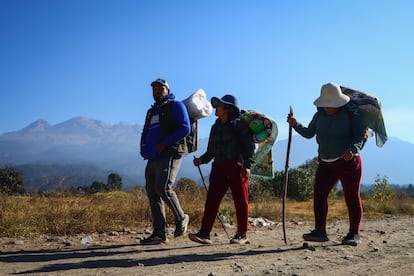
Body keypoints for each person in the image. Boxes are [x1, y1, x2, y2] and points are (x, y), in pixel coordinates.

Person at [287, 82, 366, 246]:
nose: (329, 108)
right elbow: (309, 133)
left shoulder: (352, 115)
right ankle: (320, 231)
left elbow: (360, 136)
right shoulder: (319, 115)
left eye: (332, 104)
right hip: (325, 163)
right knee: (319, 194)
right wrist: (295, 125)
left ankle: (353, 233)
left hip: (348, 162)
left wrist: (352, 149)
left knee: (351, 197)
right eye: (326, 104)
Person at [188, 94, 255, 245]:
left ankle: (242, 234)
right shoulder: (215, 127)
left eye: (219, 105)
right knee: (212, 200)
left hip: (237, 166)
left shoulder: (240, 125)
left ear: (228, 109)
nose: (216, 107)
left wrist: (247, 166)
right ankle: (204, 233)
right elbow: (211, 150)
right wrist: (201, 160)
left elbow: (249, 148)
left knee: (240, 200)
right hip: (218, 167)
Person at [140, 78, 190, 245]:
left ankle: (181, 217)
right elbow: (146, 131)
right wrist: (143, 146)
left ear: (167, 90)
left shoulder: (176, 105)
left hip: (169, 153)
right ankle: (159, 234)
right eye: (154, 89)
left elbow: (185, 127)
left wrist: (165, 142)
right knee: (152, 192)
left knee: (163, 187)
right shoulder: (151, 111)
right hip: (153, 156)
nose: (156, 91)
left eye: (160, 88)